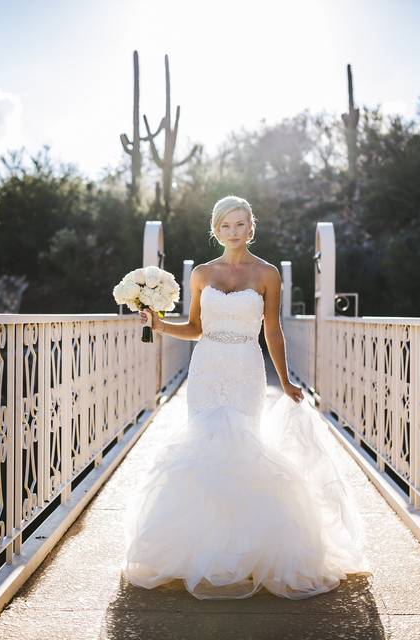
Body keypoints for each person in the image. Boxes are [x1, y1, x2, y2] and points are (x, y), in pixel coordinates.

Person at [121, 195, 371, 599]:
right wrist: (159, 325)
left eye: (240, 224)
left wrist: (286, 381)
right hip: (207, 367)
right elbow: (195, 328)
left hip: (245, 368)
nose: (233, 232)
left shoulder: (268, 273)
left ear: (250, 228)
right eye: (225, 225)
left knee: (243, 449)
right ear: (215, 229)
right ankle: (202, 549)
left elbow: (272, 329)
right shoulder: (201, 274)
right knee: (204, 446)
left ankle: (244, 551)